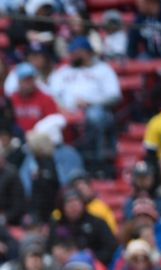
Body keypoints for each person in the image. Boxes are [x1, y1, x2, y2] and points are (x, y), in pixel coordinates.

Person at [48, 36, 121, 176]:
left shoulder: (102, 69)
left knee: (94, 116)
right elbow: (52, 94)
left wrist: (91, 102)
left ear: (86, 52)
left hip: (96, 112)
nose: (71, 56)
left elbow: (114, 95)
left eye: (75, 52)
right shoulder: (64, 71)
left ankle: (97, 161)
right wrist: (60, 107)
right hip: (66, 112)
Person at [48, 188, 117, 267]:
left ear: (83, 204)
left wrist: (93, 257)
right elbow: (49, 247)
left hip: (94, 266)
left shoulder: (97, 223)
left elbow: (111, 247)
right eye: (69, 203)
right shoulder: (57, 224)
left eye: (76, 202)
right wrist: (56, 252)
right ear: (62, 207)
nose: (73, 207)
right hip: (62, 266)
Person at [10, 63, 58, 135]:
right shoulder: (12, 99)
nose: (28, 83)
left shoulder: (46, 98)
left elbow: (53, 123)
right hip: (18, 138)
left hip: (40, 137)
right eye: (25, 80)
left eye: (30, 79)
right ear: (18, 81)